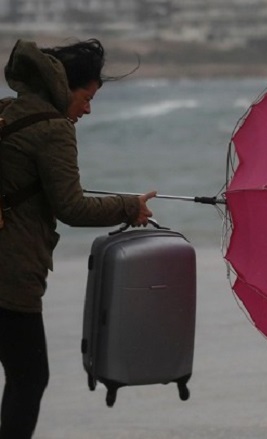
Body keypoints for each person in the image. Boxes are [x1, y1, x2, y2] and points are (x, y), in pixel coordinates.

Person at [0, 39, 156, 438]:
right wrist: (128, 206)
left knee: (21, 376)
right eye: (86, 97)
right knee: (30, 378)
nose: (88, 109)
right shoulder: (53, 130)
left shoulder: (6, 112)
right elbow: (72, 208)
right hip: (10, 276)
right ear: (63, 86)